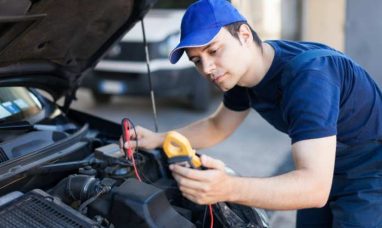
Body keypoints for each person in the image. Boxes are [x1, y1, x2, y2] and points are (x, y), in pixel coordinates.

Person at [123, 0, 382, 227]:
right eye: (197, 60)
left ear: (245, 35)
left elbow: (314, 187)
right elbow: (217, 126)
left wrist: (228, 188)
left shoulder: (309, 76)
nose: (207, 68)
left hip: (370, 171)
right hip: (322, 162)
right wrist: (157, 139)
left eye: (213, 50)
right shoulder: (242, 75)